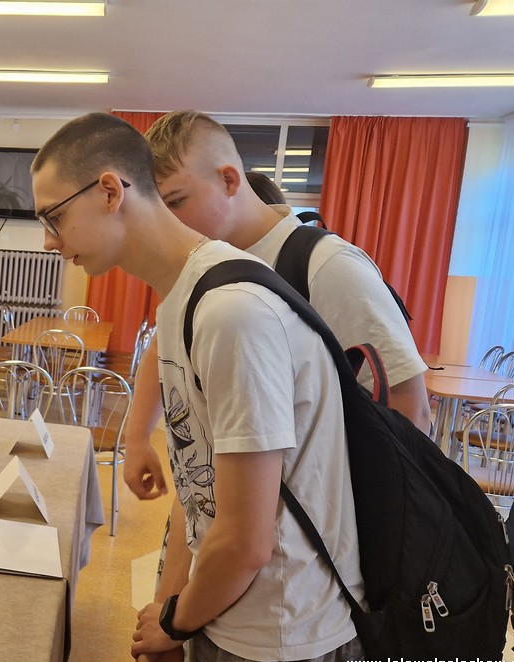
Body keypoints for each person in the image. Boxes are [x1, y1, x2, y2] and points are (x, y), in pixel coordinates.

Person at [31, 113, 365, 662]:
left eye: (54, 216)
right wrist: (169, 614)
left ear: (110, 191)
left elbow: (246, 541)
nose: (48, 240)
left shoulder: (232, 312)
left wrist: (172, 622)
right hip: (222, 608)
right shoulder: (182, 298)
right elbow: (200, 491)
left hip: (278, 633)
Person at [123, 111, 431, 504]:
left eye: (177, 202)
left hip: (311, 517)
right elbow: (164, 343)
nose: (168, 224)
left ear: (228, 180)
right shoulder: (196, 265)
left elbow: (410, 407)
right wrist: (137, 436)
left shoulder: (328, 265)